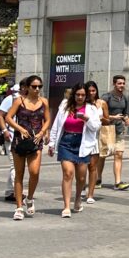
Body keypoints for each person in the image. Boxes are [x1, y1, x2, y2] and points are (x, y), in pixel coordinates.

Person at [48, 82, 101, 217]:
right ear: (73, 95)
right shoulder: (65, 107)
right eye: (77, 94)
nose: (80, 97)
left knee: (81, 177)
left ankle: (77, 198)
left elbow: (96, 127)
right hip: (66, 142)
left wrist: (86, 119)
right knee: (68, 173)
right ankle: (66, 206)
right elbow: (56, 125)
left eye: (83, 95)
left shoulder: (91, 109)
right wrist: (52, 143)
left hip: (83, 144)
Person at [5, 75, 50, 221]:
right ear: (28, 88)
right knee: (19, 174)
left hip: (36, 141)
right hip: (20, 141)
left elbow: (48, 119)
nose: (37, 89)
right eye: (34, 87)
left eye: (39, 87)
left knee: (34, 172)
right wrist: (20, 129)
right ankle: (18, 207)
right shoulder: (20, 101)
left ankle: (29, 198)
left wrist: (43, 132)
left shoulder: (44, 102)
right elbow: (8, 117)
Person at [98, 74, 129, 190]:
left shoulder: (124, 98)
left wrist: (126, 118)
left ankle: (117, 182)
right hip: (107, 130)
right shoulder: (106, 97)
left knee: (119, 154)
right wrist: (113, 117)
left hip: (119, 130)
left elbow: (125, 113)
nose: (122, 85)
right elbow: (99, 115)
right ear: (114, 84)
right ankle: (98, 179)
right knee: (102, 156)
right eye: (119, 83)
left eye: (123, 83)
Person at [0, 81, 23, 198]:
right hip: (11, 136)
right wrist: (4, 131)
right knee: (14, 165)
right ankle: (17, 192)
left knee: (15, 165)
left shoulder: (27, 100)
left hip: (21, 137)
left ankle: (9, 191)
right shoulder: (9, 99)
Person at [83, 80, 108, 203]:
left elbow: (108, 120)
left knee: (93, 167)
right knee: (82, 167)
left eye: (94, 90)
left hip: (97, 136)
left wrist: (101, 119)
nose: (92, 93)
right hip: (83, 137)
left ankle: (90, 194)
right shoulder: (82, 103)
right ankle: (82, 186)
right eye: (89, 91)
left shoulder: (102, 103)